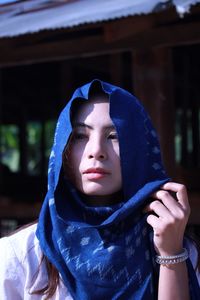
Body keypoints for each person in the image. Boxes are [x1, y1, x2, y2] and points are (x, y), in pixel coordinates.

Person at [0, 79, 199, 299]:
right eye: (80, 136)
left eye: (114, 136)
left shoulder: (180, 250)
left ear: (141, 150)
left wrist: (171, 256)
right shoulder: (20, 257)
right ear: (62, 149)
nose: (96, 151)